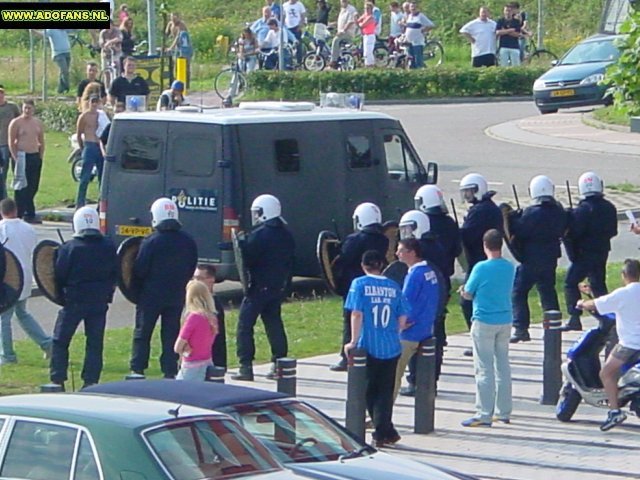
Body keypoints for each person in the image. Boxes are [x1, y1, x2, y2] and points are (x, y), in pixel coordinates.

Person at [344, 249, 408, 447]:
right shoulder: (394, 286)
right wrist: (394, 332)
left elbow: (356, 314)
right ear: (382, 265)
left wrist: (353, 341)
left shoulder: (359, 284)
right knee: (385, 390)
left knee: (369, 391)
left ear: (363, 265)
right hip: (391, 345)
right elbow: (403, 316)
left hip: (368, 344)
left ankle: (382, 431)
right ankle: (387, 429)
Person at [130, 198, 198, 379]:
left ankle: (138, 368)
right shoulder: (188, 240)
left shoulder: (151, 241)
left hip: (151, 295)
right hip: (176, 295)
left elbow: (140, 269)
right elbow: (192, 266)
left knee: (143, 332)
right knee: (171, 333)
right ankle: (169, 369)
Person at [50, 207, 118, 389]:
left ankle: (57, 379)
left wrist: (61, 297)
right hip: (99, 301)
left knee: (60, 340)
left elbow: (59, 275)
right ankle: (91, 380)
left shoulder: (69, 248)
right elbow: (115, 273)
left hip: (74, 301)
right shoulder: (109, 246)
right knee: (95, 342)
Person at [232, 194, 295, 381]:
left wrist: (242, 244)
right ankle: (279, 364)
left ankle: (245, 367)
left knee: (245, 326)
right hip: (276, 287)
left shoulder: (259, 235)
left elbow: (247, 260)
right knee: (274, 324)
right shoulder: (286, 234)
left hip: (257, 287)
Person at [459, 229, 515, 427]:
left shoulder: (480, 268)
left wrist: (463, 292)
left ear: (485, 245)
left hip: (484, 320)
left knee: (484, 368)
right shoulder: (510, 267)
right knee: (503, 365)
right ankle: (504, 411)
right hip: (505, 318)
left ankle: (484, 413)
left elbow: (468, 292)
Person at [577, 259, 640, 431]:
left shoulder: (622, 294)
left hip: (629, 345)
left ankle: (614, 411)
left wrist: (582, 303)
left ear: (624, 275)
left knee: (606, 373)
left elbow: (597, 304)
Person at [330, 202, 389, 372]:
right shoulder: (383, 239)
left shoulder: (355, 239)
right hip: (375, 286)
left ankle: (346, 356)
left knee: (351, 321)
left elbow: (344, 260)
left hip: (355, 285)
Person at [509, 175, 568, 343]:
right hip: (550, 258)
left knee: (519, 292)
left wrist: (513, 218)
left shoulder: (531, 213)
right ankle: (553, 326)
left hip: (531, 259)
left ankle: (521, 328)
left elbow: (519, 232)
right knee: (547, 290)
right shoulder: (559, 211)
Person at [563, 171, 617, 331]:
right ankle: (607, 317)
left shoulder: (582, 210)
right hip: (602, 251)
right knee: (598, 284)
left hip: (584, 254)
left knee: (570, 282)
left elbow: (574, 233)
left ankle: (574, 318)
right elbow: (613, 231)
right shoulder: (610, 207)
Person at [0, 198, 52, 364]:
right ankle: (46, 343)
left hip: (9, 280)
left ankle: (7, 355)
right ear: (16, 210)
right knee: (22, 313)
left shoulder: (2, 229)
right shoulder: (28, 228)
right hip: (26, 276)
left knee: (4, 318)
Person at [392, 238, 443, 401]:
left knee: (393, 376)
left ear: (412, 253)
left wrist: (400, 324)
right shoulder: (430, 271)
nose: (397, 254)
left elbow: (404, 302)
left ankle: (382, 414)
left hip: (409, 334)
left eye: (401, 251)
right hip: (426, 330)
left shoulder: (415, 275)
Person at [459, 173, 503, 337]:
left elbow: (469, 235)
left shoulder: (480, 211)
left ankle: (478, 336)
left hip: (478, 259)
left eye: (469, 191)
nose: (467, 195)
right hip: (487, 258)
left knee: (467, 300)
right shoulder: (491, 208)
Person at [7, 99, 44, 223]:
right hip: (21, 156)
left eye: (29, 108)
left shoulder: (37, 123)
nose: (27, 110)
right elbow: (11, 141)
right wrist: (15, 157)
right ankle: (21, 212)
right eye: (25, 108)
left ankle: (29, 211)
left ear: (33, 109)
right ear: (22, 109)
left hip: (34, 155)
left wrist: (41, 156)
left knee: (33, 186)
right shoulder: (16, 123)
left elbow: (41, 141)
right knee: (21, 186)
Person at [174, 280, 219, 381]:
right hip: (207, 362)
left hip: (191, 367)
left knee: (179, 393)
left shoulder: (193, 318)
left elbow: (177, 347)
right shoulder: (212, 318)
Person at [194, 264, 227, 370]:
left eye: (199, 278)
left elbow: (216, 338)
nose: (195, 282)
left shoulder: (213, 305)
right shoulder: (195, 301)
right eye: (194, 278)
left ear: (211, 280)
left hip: (210, 360)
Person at [75, 95, 104, 208]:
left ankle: (101, 204)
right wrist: (83, 148)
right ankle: (80, 203)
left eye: (97, 102)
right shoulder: (84, 116)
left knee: (102, 177)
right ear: (89, 103)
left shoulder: (101, 116)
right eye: (93, 102)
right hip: (89, 144)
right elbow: (79, 134)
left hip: (99, 146)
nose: (94, 104)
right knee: (85, 177)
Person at [32, 29, 71, 94]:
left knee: (63, 72)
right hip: (58, 53)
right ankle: (67, 87)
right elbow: (42, 34)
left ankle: (60, 89)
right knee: (64, 70)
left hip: (67, 52)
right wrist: (33, 31)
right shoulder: (51, 30)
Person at [0, 86, 20, 201]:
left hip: (13, 143)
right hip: (1, 144)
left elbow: (20, 120)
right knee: (2, 173)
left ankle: (18, 199)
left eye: (1, 93)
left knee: (17, 171)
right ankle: (4, 198)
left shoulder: (12, 107)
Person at [401, 2, 434, 68]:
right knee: (411, 60)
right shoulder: (409, 16)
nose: (413, 8)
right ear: (409, 8)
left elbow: (431, 25)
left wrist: (424, 30)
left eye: (414, 7)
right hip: (409, 42)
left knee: (418, 60)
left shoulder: (421, 16)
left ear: (418, 8)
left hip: (417, 42)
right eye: (411, 7)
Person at [166, 12, 193, 85]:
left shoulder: (181, 25)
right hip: (177, 48)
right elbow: (166, 35)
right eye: (171, 18)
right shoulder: (170, 24)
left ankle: (186, 84)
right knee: (175, 66)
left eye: (175, 18)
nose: (173, 20)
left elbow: (178, 37)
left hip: (184, 48)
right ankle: (177, 83)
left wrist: (171, 47)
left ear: (178, 18)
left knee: (185, 66)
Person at [330, 0, 358, 69]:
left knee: (335, 40)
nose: (343, 2)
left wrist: (342, 31)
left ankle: (333, 61)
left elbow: (350, 22)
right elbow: (340, 22)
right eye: (342, 1)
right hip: (341, 32)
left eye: (344, 1)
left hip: (348, 33)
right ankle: (337, 57)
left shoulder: (351, 9)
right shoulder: (342, 10)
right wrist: (331, 24)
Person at [99, 21, 123, 87]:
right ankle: (107, 88)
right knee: (106, 71)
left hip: (116, 53)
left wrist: (110, 42)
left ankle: (117, 85)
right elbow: (101, 43)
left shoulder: (117, 31)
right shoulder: (103, 33)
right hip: (106, 53)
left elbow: (119, 38)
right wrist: (105, 45)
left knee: (117, 69)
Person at [282, 0, 307, 65]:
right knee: (288, 46)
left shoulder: (299, 4)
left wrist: (300, 26)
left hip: (296, 27)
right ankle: (289, 62)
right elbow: (283, 17)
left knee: (298, 45)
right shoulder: (285, 5)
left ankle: (299, 62)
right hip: (288, 28)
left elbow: (303, 16)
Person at [358, 3, 378, 68]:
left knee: (368, 51)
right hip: (365, 35)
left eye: (368, 8)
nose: (366, 10)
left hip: (370, 36)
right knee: (365, 51)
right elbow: (358, 21)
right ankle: (367, 64)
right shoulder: (365, 15)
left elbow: (362, 25)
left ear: (371, 9)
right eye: (365, 8)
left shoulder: (371, 17)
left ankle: (370, 65)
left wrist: (360, 23)